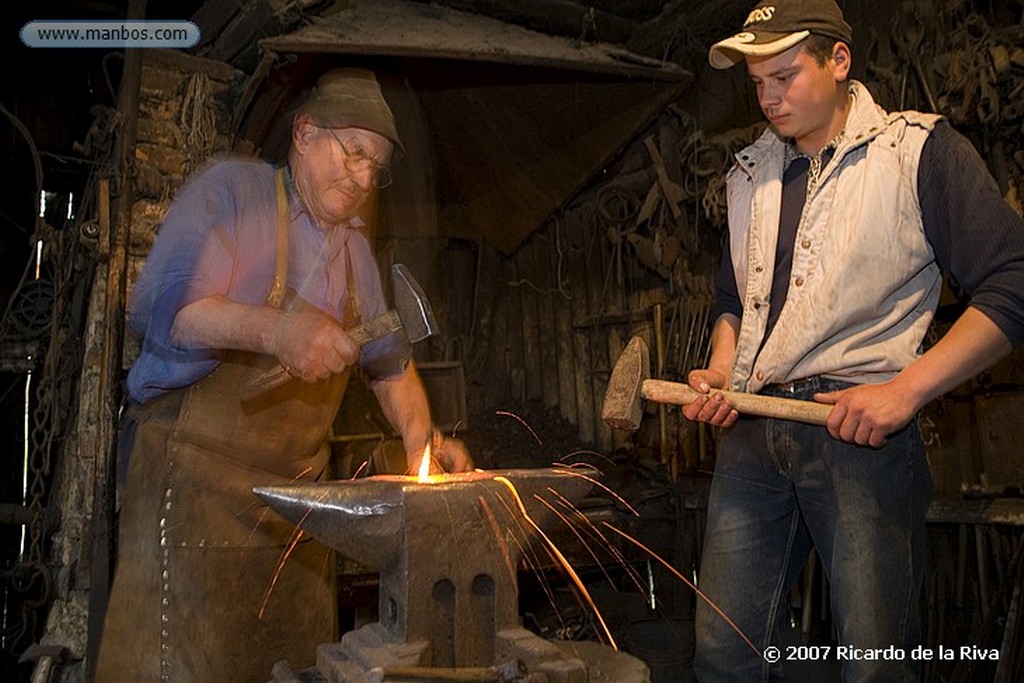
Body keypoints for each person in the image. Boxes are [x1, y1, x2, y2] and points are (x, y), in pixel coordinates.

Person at [95, 67, 473, 682]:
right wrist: (278, 331)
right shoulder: (230, 192)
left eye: (374, 167)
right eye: (353, 153)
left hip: (297, 517)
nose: (361, 177)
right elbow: (167, 313)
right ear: (303, 133)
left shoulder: (355, 252)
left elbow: (391, 368)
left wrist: (420, 446)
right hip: (192, 490)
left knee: (295, 668)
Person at [683, 1, 1024, 680]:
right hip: (752, 436)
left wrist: (906, 390)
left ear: (840, 61)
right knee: (725, 655)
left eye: (785, 75)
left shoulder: (917, 152)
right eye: (757, 82)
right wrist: (723, 370)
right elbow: (733, 301)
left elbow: (1012, 285)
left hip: (859, 436)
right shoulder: (747, 175)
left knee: (874, 663)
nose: (768, 97)